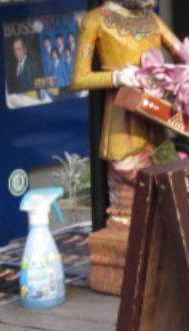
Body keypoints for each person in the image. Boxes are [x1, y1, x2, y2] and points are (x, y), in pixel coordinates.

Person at [71, 0, 181, 225]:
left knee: (167, 198)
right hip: (122, 126)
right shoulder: (96, 19)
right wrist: (116, 77)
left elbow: (183, 53)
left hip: (154, 120)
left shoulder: (151, 19)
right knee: (129, 209)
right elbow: (79, 78)